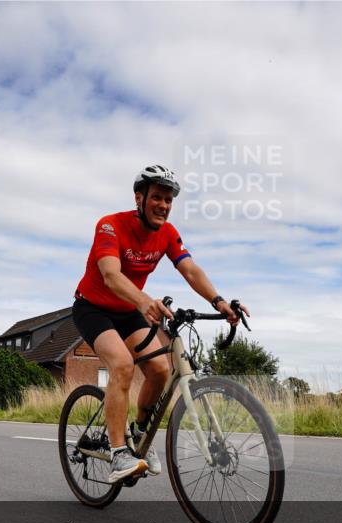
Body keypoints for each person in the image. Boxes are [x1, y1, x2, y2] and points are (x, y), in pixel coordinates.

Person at [73, 164, 249, 483]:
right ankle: (118, 454)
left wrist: (219, 301)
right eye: (157, 197)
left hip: (129, 310)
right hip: (93, 308)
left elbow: (191, 270)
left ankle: (139, 435)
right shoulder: (110, 226)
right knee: (123, 365)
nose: (163, 206)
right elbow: (111, 275)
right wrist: (143, 300)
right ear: (139, 198)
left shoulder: (166, 234)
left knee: (160, 370)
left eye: (169, 200)